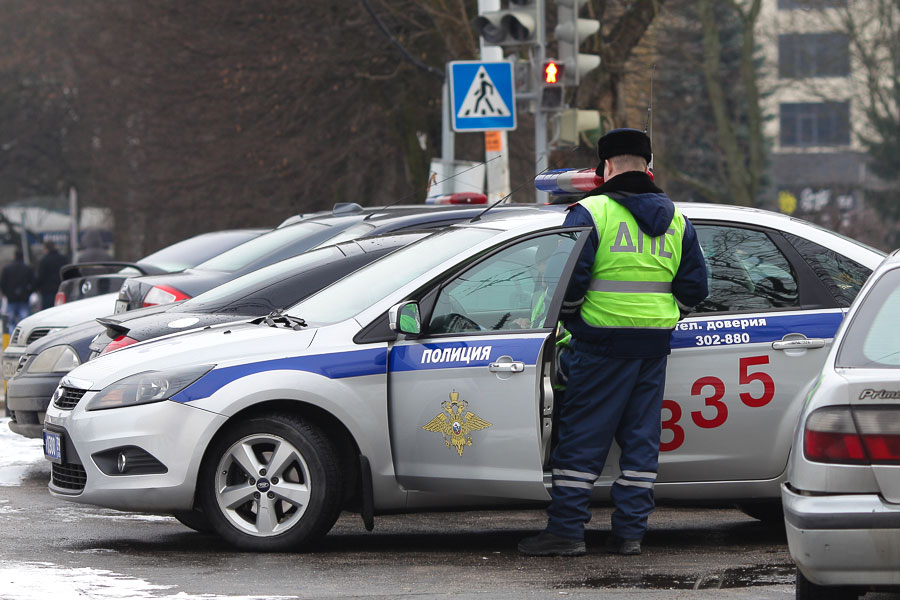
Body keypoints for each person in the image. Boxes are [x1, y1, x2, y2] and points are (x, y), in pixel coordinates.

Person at [518, 128, 708, 557]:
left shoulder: (591, 212)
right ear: (649, 166)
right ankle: (630, 534)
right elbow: (695, 289)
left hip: (600, 344)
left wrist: (576, 323)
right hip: (654, 344)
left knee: (583, 438)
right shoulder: (677, 219)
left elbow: (567, 284)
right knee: (641, 440)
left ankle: (566, 531)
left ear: (604, 167)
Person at [0, 249, 35, 334]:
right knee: (23, 323)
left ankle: (11, 338)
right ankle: (21, 337)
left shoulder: (7, 269)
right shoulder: (28, 268)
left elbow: (2, 283)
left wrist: (7, 294)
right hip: (24, 299)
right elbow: (33, 283)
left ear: (14, 257)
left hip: (11, 299)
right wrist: (28, 293)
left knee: (10, 322)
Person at [36, 241, 68, 310]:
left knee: (48, 311)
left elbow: (40, 276)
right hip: (61, 289)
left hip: (47, 291)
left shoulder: (44, 260)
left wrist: (37, 287)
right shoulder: (63, 259)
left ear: (46, 249)